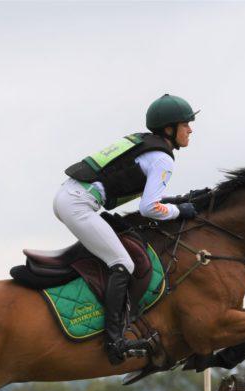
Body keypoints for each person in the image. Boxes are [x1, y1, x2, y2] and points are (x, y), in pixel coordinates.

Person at [56, 94, 199, 365]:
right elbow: (149, 208)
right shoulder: (163, 159)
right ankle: (115, 340)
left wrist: (176, 202)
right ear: (169, 128)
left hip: (71, 196)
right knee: (122, 262)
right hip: (79, 204)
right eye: (186, 124)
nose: (191, 129)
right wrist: (181, 211)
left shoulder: (141, 141)